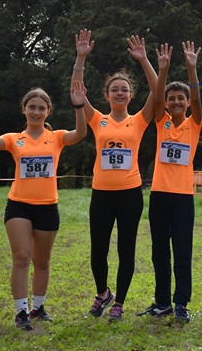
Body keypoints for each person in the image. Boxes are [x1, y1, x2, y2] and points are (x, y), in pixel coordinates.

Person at [0, 82, 87, 330]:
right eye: (32, 107)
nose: (36, 112)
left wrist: (79, 105)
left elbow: (80, 134)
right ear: (24, 110)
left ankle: (38, 308)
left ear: (48, 111)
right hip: (19, 206)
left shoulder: (57, 137)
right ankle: (21, 313)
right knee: (21, 257)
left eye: (41, 108)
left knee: (42, 261)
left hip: (48, 207)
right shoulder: (15, 139)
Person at [72, 29, 156, 322]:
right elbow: (77, 91)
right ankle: (102, 293)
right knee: (98, 250)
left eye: (124, 89)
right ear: (106, 95)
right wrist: (81, 57)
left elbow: (157, 93)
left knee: (126, 249)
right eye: (114, 89)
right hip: (102, 194)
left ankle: (119, 302)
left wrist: (144, 60)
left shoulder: (139, 120)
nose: (119, 93)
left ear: (131, 95)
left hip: (130, 193)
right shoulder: (97, 119)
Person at [137, 41, 202, 323]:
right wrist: (161, 69)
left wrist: (191, 67)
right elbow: (157, 92)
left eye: (181, 98)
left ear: (187, 103)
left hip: (183, 199)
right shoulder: (161, 120)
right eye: (172, 98)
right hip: (159, 196)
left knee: (182, 252)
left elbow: (199, 100)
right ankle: (162, 301)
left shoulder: (195, 123)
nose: (176, 102)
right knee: (159, 251)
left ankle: (181, 303)